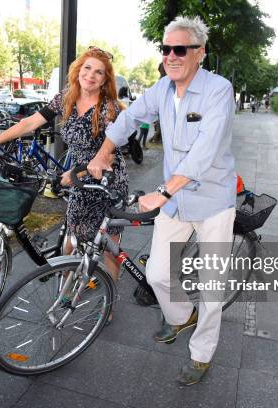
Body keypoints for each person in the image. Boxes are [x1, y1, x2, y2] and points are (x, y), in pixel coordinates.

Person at [87, 16, 236, 385]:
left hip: (213, 199)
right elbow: (131, 117)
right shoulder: (162, 89)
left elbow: (205, 151)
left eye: (179, 49)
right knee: (156, 274)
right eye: (166, 49)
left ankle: (201, 354)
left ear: (199, 53)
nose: (171, 55)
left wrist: (163, 191)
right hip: (174, 201)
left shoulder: (219, 89)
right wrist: (104, 151)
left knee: (212, 286)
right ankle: (182, 315)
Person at [0, 47, 128, 314]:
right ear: (78, 70)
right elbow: (29, 123)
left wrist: (76, 173)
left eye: (98, 72)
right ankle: (67, 295)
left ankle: (110, 303)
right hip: (78, 181)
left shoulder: (109, 109)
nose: (91, 76)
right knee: (72, 239)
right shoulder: (65, 99)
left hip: (105, 181)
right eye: (87, 68)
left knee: (108, 245)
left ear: (105, 80)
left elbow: (110, 155)